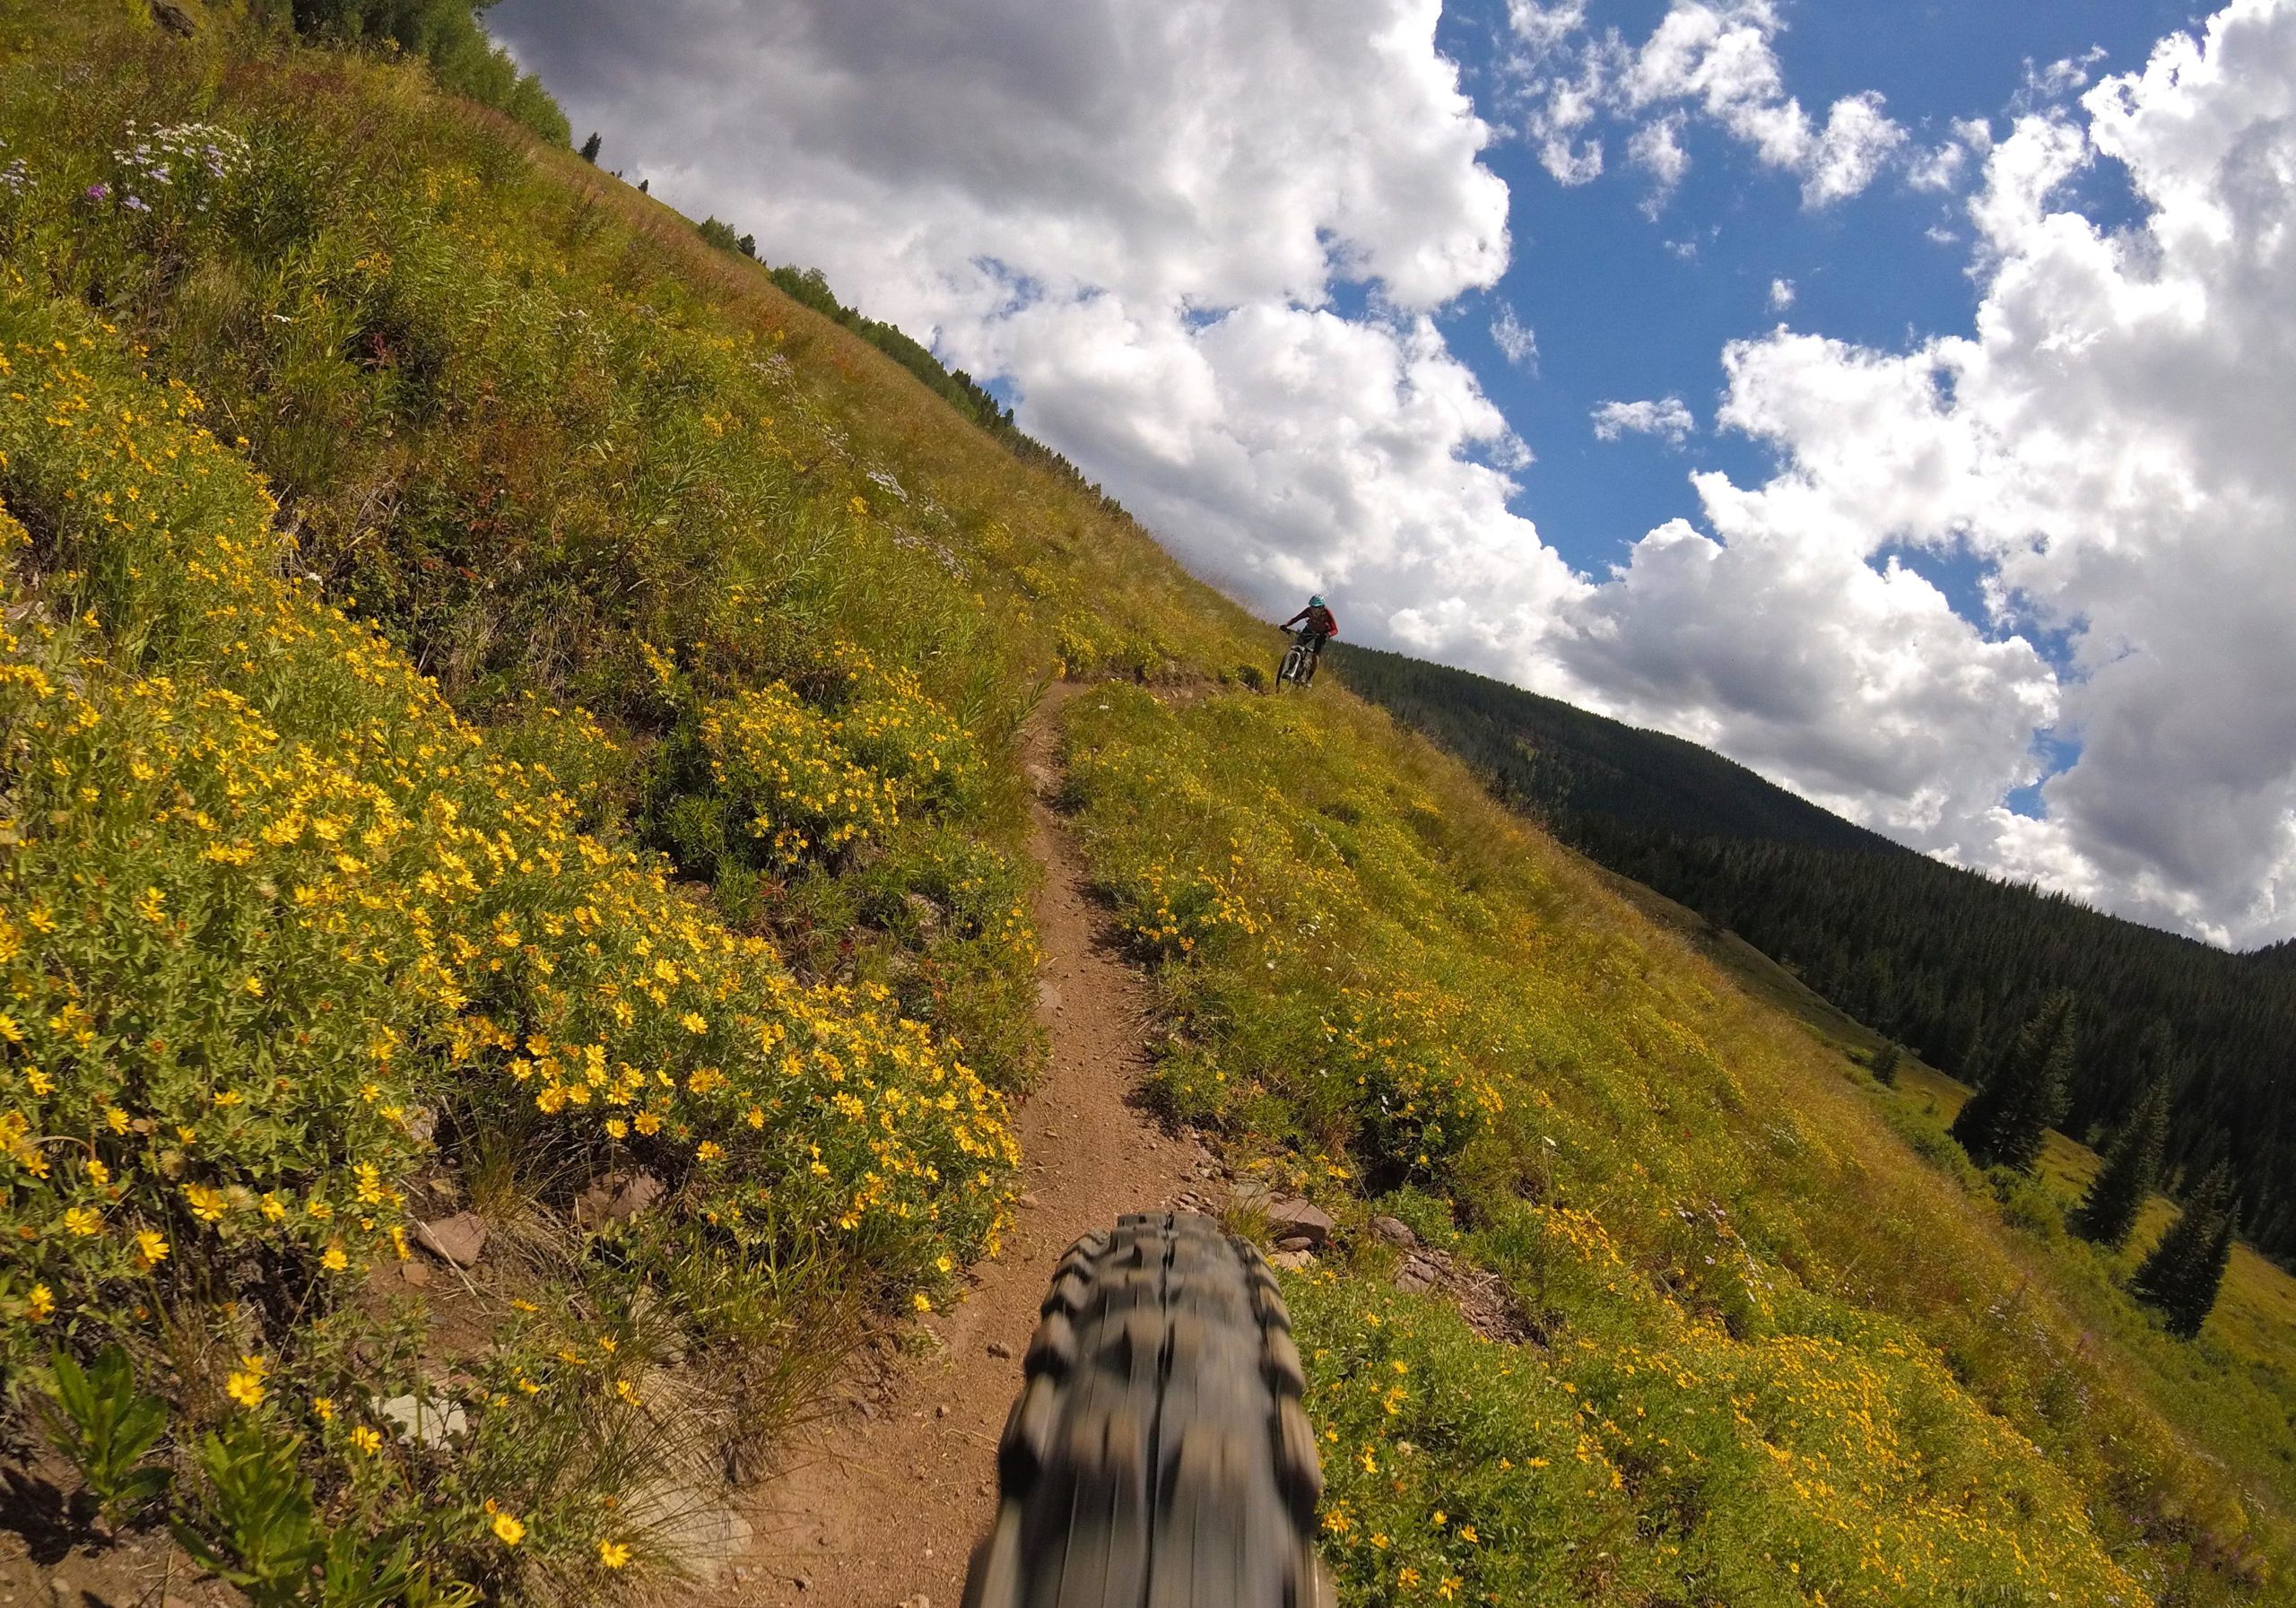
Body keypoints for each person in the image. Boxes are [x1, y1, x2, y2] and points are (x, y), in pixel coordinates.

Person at [1280, 595, 1337, 680]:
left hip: (1321, 634)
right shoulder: (1308, 611)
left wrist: (1327, 635)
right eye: (1311, 606)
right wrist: (1286, 625)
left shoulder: (1327, 613)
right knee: (1297, 647)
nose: (1313, 609)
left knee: (1315, 656)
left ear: (1321, 607)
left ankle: (1309, 679)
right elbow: (1296, 618)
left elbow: (1335, 630)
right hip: (1309, 629)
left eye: (1315, 607)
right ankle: (1290, 669)